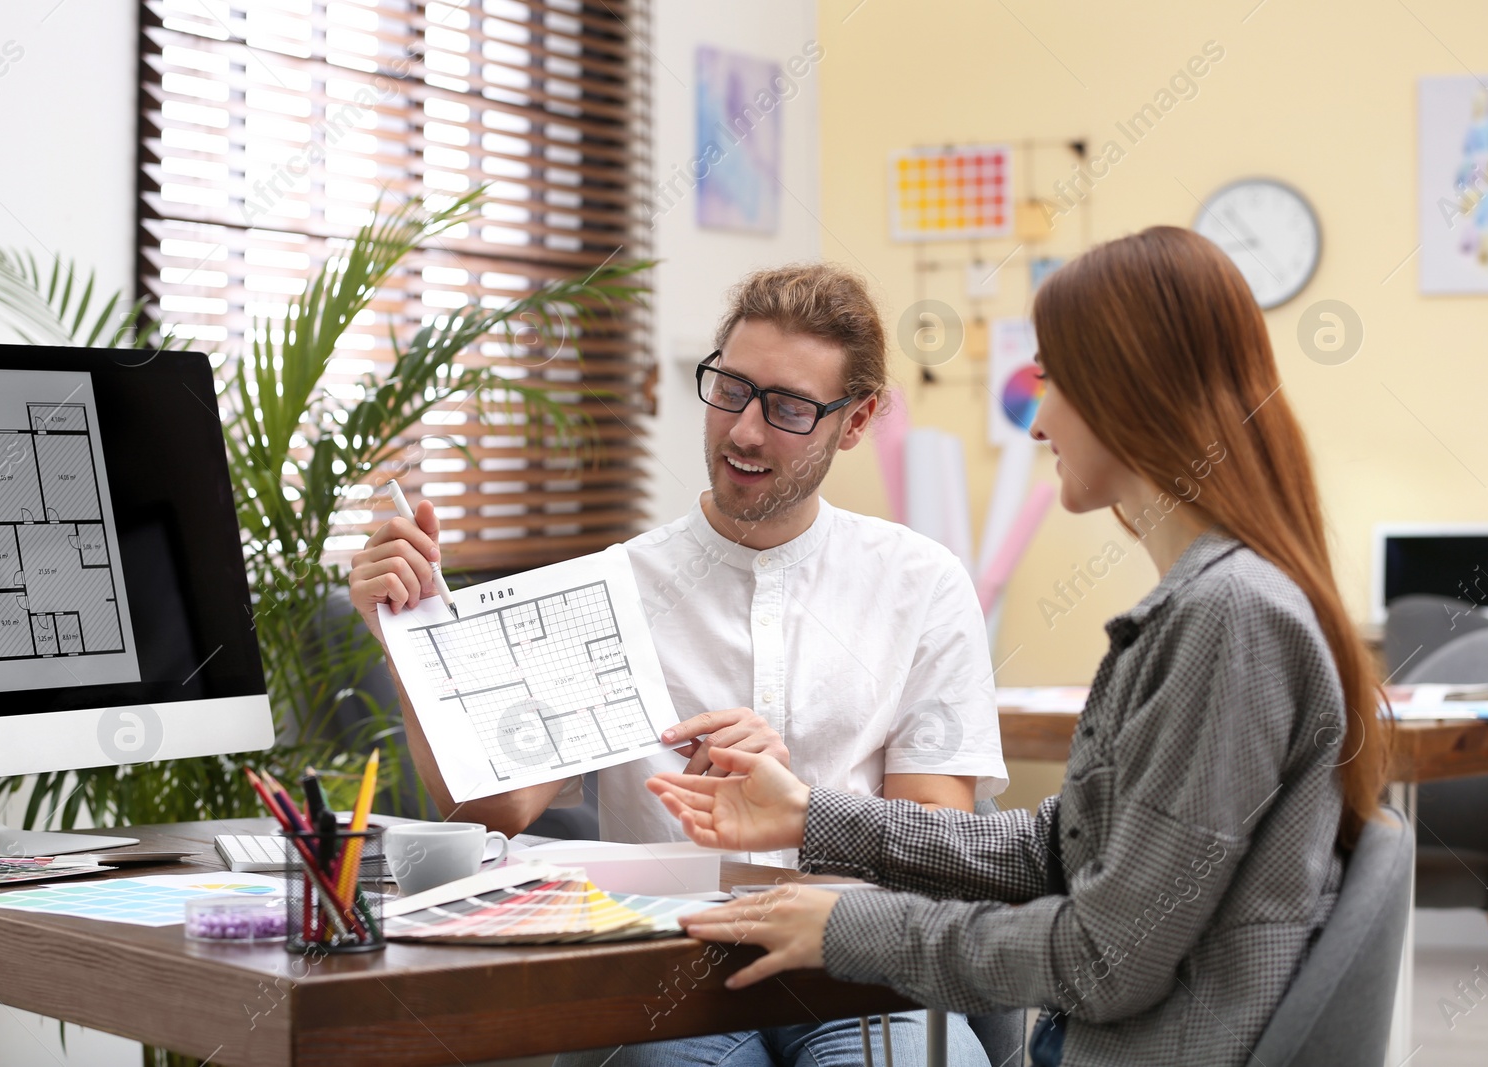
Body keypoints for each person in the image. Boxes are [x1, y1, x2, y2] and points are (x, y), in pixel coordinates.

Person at [646, 226, 1391, 1067]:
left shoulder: (1227, 620)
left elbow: (1104, 959)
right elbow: (1062, 845)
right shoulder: (1215, 603)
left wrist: (851, 925)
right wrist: (812, 815)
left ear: (1130, 394)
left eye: (1055, 382)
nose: (1038, 422)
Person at [349, 263, 1007, 1066]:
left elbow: (938, 839)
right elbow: (491, 810)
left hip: (858, 974)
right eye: (730, 389)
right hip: (674, 984)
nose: (745, 432)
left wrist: (802, 805)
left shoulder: (921, 584)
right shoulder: (615, 585)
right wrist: (409, 636)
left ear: (857, 419)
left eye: (790, 407)